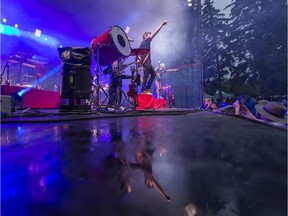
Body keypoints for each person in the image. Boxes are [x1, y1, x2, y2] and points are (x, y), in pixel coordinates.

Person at [139, 20, 169, 94]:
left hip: (147, 62)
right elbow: (155, 33)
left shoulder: (143, 43)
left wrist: (139, 60)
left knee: (154, 74)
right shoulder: (146, 41)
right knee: (146, 75)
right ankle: (143, 90)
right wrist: (162, 25)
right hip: (146, 62)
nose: (150, 35)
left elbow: (138, 52)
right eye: (149, 34)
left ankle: (147, 88)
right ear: (146, 36)